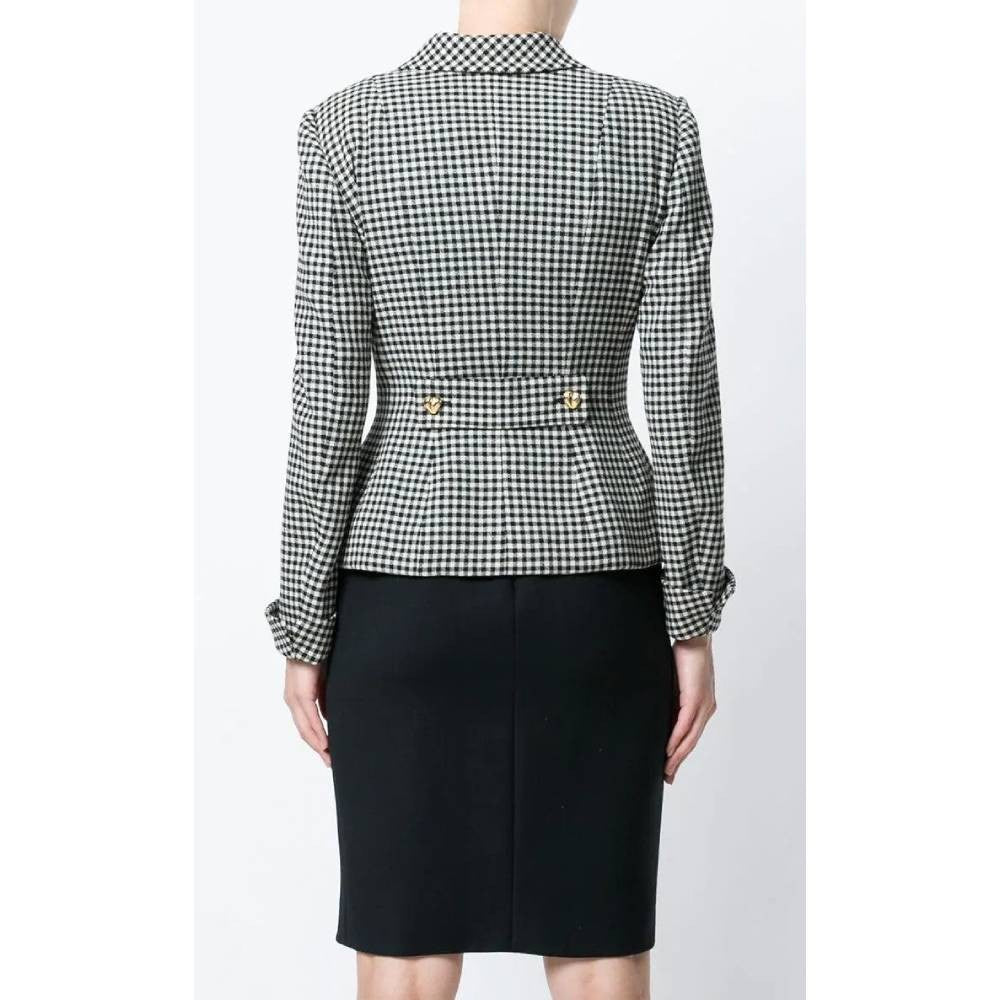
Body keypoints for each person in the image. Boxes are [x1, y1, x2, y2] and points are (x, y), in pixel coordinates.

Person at [267, 1, 735, 997]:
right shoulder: (653, 127)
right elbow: (683, 396)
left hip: (404, 584)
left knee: (406, 937)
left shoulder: (347, 127)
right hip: (599, 583)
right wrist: (691, 620)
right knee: (598, 935)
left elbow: (326, 403)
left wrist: (304, 628)